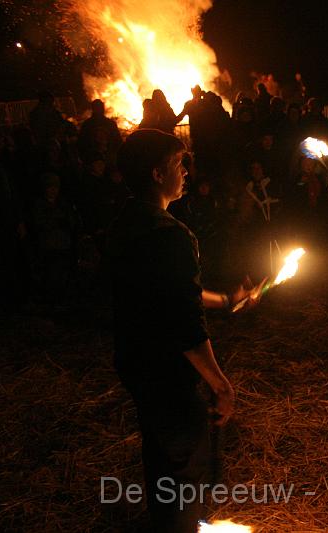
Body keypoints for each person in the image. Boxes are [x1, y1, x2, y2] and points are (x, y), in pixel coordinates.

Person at [107, 129, 257, 532]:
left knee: (160, 459)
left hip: (136, 364)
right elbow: (185, 324)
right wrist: (220, 385)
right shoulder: (170, 235)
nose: (186, 171)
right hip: (166, 371)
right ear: (157, 174)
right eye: (178, 163)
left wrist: (225, 299)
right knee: (184, 469)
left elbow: (167, 290)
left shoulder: (125, 223)